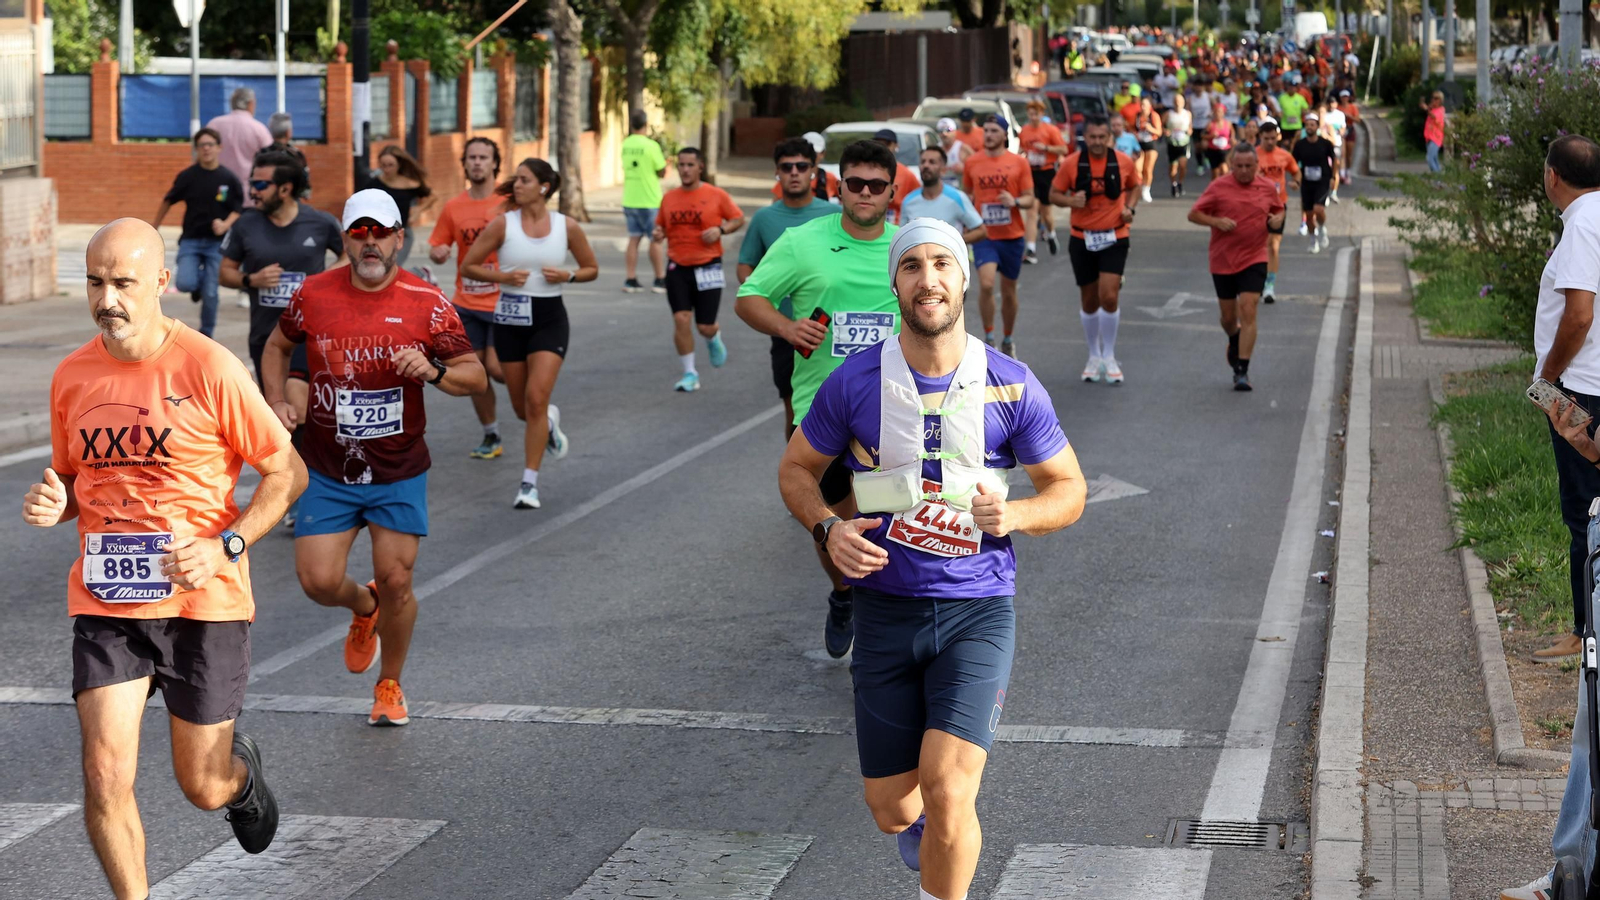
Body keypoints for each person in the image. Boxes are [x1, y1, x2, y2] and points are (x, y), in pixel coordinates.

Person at [777, 217, 1086, 900]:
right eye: (912, 265)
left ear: (962, 278)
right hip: (885, 613)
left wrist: (1018, 514)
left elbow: (1069, 489)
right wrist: (829, 528)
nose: (928, 278)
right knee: (895, 808)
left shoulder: (1011, 383)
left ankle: (943, 864)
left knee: (949, 790)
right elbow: (797, 469)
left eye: (942, 263)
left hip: (978, 611)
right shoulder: (855, 383)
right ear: (895, 282)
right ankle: (928, 834)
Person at [24, 218, 306, 897]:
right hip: (107, 603)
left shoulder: (207, 367)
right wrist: (52, 504)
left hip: (200, 602)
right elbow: (72, 486)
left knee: (201, 786)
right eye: (94, 282)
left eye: (123, 283)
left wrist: (226, 545)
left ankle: (238, 779)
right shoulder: (72, 376)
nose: (107, 299)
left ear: (161, 283)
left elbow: (286, 472)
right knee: (102, 772)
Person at [259, 189, 486, 726]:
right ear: (345, 238)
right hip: (326, 466)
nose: (370, 243)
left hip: (397, 467)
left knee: (398, 578)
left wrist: (433, 372)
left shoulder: (426, 302)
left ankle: (390, 684)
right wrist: (274, 400)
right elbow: (275, 347)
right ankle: (365, 607)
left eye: (380, 233)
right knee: (316, 582)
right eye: (359, 233)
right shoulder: (313, 294)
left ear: (399, 239)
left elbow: (474, 375)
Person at [734, 139, 902, 660]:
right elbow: (749, 297)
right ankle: (844, 593)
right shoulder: (803, 241)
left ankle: (886, 621)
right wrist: (786, 327)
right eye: (856, 183)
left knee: (890, 521)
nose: (866, 193)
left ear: (893, 191)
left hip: (893, 411)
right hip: (822, 410)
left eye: (878, 185)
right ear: (838, 186)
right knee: (830, 521)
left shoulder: (909, 248)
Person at [460, 159, 597, 510]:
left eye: (524, 180)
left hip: (550, 319)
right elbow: (468, 266)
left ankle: (528, 484)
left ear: (544, 187)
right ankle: (549, 422)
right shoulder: (502, 225)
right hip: (509, 319)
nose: (516, 185)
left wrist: (568, 277)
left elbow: (590, 269)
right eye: (516, 180)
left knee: (536, 398)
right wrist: (503, 278)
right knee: (524, 409)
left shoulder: (567, 227)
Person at [1528, 135, 1600, 665]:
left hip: (1581, 388)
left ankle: (1584, 634)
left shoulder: (1580, 225)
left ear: (1553, 176)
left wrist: (1546, 380)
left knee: (1584, 512)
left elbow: (1578, 315)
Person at [739, 137, 847, 433]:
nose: (794, 173)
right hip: (786, 328)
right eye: (787, 167)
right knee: (796, 411)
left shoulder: (833, 215)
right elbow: (745, 264)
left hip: (831, 328)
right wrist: (763, 292)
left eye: (802, 166)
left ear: (813, 171)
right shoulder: (764, 218)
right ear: (777, 172)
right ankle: (798, 470)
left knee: (842, 408)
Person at [428, 137, 511, 460]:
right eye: (472, 157)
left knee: (499, 369)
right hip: (467, 301)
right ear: (465, 164)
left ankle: (536, 405)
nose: (477, 162)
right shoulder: (454, 207)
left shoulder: (509, 202)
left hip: (504, 299)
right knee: (476, 374)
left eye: (483, 157)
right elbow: (438, 246)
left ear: (494, 163)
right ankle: (491, 434)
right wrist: (438, 253)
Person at [1187, 143, 1285, 391]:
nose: (1243, 171)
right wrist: (1216, 221)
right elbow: (1194, 214)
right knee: (1229, 318)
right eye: (1238, 166)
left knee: (1249, 307)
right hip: (1223, 260)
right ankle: (1234, 336)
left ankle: (1242, 370)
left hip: (1255, 257)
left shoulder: (1266, 187)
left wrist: (1277, 218)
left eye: (1248, 166)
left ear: (1256, 166)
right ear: (1232, 166)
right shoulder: (1219, 187)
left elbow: (1279, 209)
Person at [1051, 115, 1141, 385]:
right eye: (1093, 137)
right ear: (1085, 138)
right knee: (1089, 300)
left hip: (1115, 235)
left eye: (1103, 137)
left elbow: (1135, 186)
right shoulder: (1071, 164)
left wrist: (1130, 209)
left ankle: (1110, 355)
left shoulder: (1123, 161)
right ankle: (1094, 355)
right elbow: (1053, 194)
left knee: (1109, 297)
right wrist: (1070, 200)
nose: (1098, 142)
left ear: (1109, 138)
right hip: (1082, 238)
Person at [651, 147, 745, 393]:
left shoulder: (715, 195)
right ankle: (690, 372)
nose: (685, 169)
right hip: (677, 265)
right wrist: (658, 233)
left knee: (704, 325)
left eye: (690, 165)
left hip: (708, 265)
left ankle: (713, 337)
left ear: (700, 167)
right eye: (681, 165)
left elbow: (737, 218)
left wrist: (721, 230)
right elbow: (660, 227)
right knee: (681, 318)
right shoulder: (669, 198)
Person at [152, 128, 242, 339]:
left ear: (219, 148)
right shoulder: (188, 176)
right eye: (202, 145)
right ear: (197, 149)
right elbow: (168, 200)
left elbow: (238, 209)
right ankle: (197, 285)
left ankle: (207, 334)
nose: (207, 149)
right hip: (191, 240)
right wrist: (154, 226)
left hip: (216, 244)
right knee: (184, 283)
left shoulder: (228, 178)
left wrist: (226, 224)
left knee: (211, 292)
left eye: (211, 144)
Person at [962, 115, 1034, 358]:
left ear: (1004, 135)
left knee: (1009, 289)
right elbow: (966, 198)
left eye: (994, 131)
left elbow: (1029, 197)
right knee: (986, 283)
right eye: (986, 131)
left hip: (1012, 235)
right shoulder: (972, 162)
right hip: (985, 235)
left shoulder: (1018, 163)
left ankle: (1008, 338)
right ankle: (990, 336)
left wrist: (1013, 201)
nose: (989, 135)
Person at [620, 110, 669, 294]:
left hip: (630, 198)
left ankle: (630, 279)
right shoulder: (651, 145)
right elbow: (661, 170)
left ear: (632, 124)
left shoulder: (625, 144)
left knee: (633, 238)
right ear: (646, 124)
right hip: (649, 199)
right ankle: (659, 279)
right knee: (655, 239)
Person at [1018, 100, 1071, 259]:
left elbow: (1064, 149)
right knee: (1031, 211)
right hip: (1030, 172)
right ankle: (1031, 249)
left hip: (1047, 172)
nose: (1033, 117)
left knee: (1046, 213)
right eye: (1031, 114)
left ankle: (1051, 234)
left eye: (1036, 114)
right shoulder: (1024, 131)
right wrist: (1021, 154)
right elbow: (1022, 148)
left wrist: (1046, 148)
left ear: (1042, 114)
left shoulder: (1050, 130)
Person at [1253, 122, 1300, 304]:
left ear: (1278, 137)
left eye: (1273, 138)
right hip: (1257, 206)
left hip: (1278, 205)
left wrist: (1297, 183)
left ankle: (1270, 286)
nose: (1270, 142)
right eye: (1266, 139)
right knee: (1258, 246)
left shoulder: (1284, 155)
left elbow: (1296, 172)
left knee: (1273, 245)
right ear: (1260, 137)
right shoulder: (1253, 155)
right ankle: (1257, 281)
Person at [900, 146, 986, 243]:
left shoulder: (957, 197)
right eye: (923, 162)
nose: (926, 166)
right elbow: (902, 237)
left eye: (932, 162)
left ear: (943, 170)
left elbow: (981, 231)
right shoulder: (908, 201)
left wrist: (952, 243)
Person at [204, 88, 273, 203]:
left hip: (217, 192)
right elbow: (271, 159)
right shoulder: (259, 129)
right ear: (251, 104)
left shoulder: (214, 125)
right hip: (248, 195)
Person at [370, 145, 432, 267]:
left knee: (393, 266)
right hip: (381, 233)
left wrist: (418, 210)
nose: (387, 169)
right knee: (382, 269)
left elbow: (432, 197)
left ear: (399, 164)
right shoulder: (375, 184)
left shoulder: (409, 183)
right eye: (383, 165)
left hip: (403, 233)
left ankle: (421, 275)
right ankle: (420, 274)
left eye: (390, 165)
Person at [1292, 111, 1336, 253]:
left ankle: (1322, 228)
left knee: (1319, 209)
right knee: (1309, 215)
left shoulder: (1325, 144)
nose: (1309, 127)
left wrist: (1333, 177)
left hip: (1322, 180)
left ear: (1317, 127)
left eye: (1312, 125)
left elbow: (1335, 160)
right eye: (1307, 125)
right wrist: (1296, 180)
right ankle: (1313, 240)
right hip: (1307, 182)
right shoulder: (1300, 145)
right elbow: (1293, 164)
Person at [873, 129, 926, 226]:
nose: (882, 147)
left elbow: (919, 201)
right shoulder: (866, 172)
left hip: (896, 227)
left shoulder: (906, 174)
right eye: (878, 143)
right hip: (870, 226)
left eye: (887, 143)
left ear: (896, 146)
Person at [770, 130, 840, 203]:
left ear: (823, 154)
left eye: (815, 152)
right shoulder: (788, 180)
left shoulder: (829, 178)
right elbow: (776, 206)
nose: (794, 173)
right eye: (807, 153)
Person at [260, 112, 310, 197]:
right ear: (288, 132)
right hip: (291, 202)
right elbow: (305, 189)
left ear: (271, 132)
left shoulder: (262, 154)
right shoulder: (296, 155)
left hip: (266, 201)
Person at [1133, 96, 1164, 204]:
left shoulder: (1154, 116)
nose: (1142, 107)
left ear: (1149, 106)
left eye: (1144, 105)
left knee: (1148, 169)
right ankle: (1141, 186)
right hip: (1139, 144)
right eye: (1141, 105)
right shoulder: (1137, 116)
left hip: (1151, 145)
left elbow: (1159, 132)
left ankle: (1146, 189)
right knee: (1138, 168)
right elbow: (1134, 129)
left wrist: (1151, 128)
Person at [1318, 96, 1347, 204]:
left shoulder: (1339, 115)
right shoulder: (1323, 117)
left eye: (1333, 103)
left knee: (1335, 170)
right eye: (1329, 103)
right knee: (1325, 171)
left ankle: (1334, 192)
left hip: (1335, 146)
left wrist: (1337, 133)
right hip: (1324, 147)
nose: (1331, 105)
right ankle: (1325, 193)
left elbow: (1341, 131)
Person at [1166, 93, 1194, 197]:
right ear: (1173, 103)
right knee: (1173, 167)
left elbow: (1191, 127)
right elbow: (1162, 125)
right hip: (1172, 143)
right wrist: (1166, 131)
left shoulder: (1187, 114)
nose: (1178, 104)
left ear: (1183, 103)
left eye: (1180, 102)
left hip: (1184, 142)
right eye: (1176, 102)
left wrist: (1190, 131)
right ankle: (1173, 184)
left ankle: (1180, 182)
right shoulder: (1168, 114)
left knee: (1183, 165)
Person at [1202, 102, 1235, 180]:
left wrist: (1232, 139)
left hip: (1225, 150)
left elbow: (1232, 133)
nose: (1217, 114)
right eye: (1216, 111)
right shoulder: (1210, 124)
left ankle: (1225, 188)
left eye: (1219, 111)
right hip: (1213, 151)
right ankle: (1214, 189)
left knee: (1224, 170)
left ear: (1223, 113)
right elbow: (1203, 135)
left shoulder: (1228, 123)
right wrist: (1211, 136)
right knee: (1215, 174)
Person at [937, 118, 972, 188]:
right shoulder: (935, 150)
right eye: (941, 131)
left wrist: (964, 169)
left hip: (959, 191)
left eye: (948, 130)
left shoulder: (963, 148)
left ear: (955, 132)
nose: (944, 134)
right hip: (941, 192)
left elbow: (978, 167)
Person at [1275, 77, 1309, 147]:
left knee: (1296, 143)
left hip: (1296, 125)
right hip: (1285, 126)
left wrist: (1304, 112)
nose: (1292, 89)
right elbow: (1278, 109)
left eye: (1293, 87)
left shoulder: (1300, 98)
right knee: (1286, 144)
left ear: (1296, 88)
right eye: (1290, 87)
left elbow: (1306, 109)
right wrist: (1279, 114)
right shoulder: (1282, 98)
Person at [1336, 90, 1361, 183]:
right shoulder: (1337, 108)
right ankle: (1341, 173)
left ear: (1349, 97)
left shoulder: (1352, 107)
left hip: (1349, 130)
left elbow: (1358, 120)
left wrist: (1348, 116)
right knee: (1342, 153)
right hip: (1340, 131)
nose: (1345, 98)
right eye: (1343, 97)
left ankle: (1348, 172)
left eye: (1346, 96)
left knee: (1349, 154)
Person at [1422, 90, 1447, 173]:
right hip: (1429, 137)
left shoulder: (1441, 110)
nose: (1433, 100)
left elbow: (1434, 117)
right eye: (1432, 98)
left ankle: (1437, 178)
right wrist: (1424, 104)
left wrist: (1427, 109)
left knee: (1429, 158)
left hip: (1436, 138)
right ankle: (1438, 180)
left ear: (1440, 100)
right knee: (1434, 159)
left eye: (1436, 98)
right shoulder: (1432, 109)